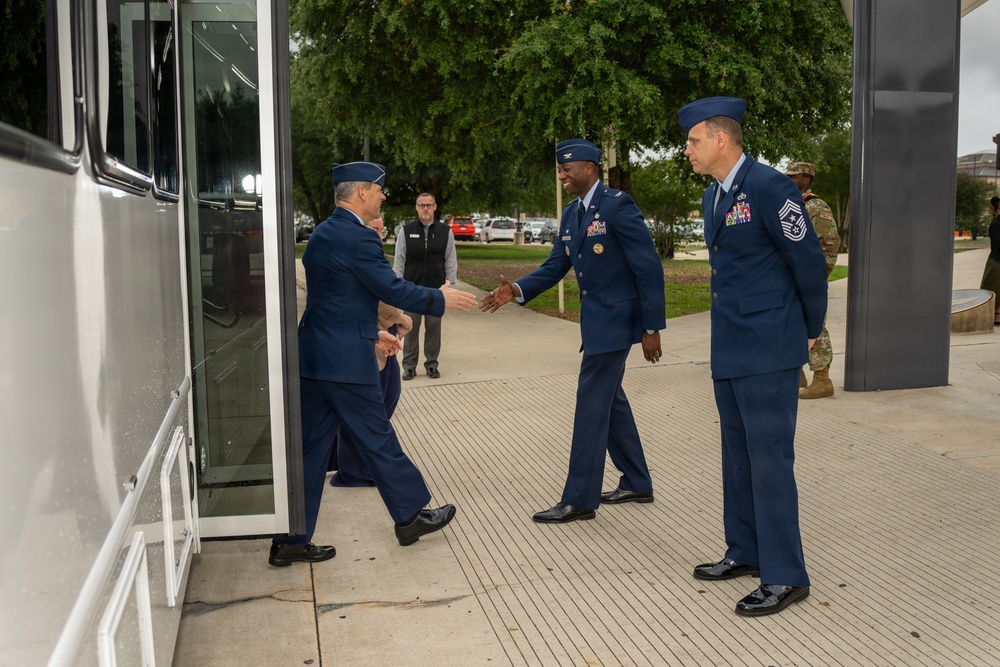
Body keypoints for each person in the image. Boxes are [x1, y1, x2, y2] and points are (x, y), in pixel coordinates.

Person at [269, 161, 477, 567]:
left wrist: (372, 330)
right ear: (361, 192)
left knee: (310, 452)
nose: (384, 196)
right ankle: (410, 516)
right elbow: (390, 287)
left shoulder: (323, 234)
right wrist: (439, 298)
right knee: (377, 436)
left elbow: (337, 299)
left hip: (315, 355)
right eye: (379, 190)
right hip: (345, 361)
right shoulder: (357, 238)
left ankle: (291, 539)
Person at [677, 97, 828, 616]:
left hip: (768, 344)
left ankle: (786, 574)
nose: (687, 150)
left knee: (769, 463)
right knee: (737, 457)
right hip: (731, 346)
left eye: (693, 140)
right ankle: (744, 551)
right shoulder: (712, 197)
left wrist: (809, 329)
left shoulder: (771, 187)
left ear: (721, 138)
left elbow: (807, 262)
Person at [480, 138, 666, 524]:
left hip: (616, 323)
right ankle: (636, 480)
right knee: (610, 402)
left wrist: (651, 326)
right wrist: (515, 289)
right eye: (560, 169)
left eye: (567, 169)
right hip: (597, 324)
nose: (562, 175)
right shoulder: (572, 213)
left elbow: (648, 268)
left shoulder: (617, 206)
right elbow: (554, 267)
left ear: (589, 169)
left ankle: (579, 499)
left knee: (591, 407)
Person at [328, 217, 412, 487]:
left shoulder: (367, 250)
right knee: (367, 408)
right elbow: (372, 295)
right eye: (372, 229)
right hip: (365, 340)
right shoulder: (356, 251)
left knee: (386, 396)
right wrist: (400, 315)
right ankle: (354, 470)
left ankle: (354, 463)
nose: (377, 234)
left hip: (382, 337)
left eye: (380, 229)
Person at [784, 162, 841, 399]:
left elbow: (829, 244)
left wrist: (816, 277)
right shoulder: (794, 204)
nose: (788, 179)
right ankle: (797, 374)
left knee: (815, 327)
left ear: (805, 179)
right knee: (792, 324)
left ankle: (822, 380)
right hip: (793, 278)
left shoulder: (817, 207)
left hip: (810, 279)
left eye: (793, 176)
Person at [393, 193, 457, 380]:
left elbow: (450, 260)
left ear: (435, 207)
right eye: (422, 205)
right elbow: (399, 261)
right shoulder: (406, 231)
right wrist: (396, 287)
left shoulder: (446, 231)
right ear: (416, 207)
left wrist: (450, 285)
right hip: (411, 290)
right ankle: (409, 366)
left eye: (429, 205)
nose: (425, 208)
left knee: (433, 328)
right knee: (410, 328)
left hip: (436, 290)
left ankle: (431, 364)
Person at [980, 196, 1000, 326]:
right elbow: (998, 243)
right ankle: (995, 316)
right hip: (997, 260)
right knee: (995, 287)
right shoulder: (995, 224)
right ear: (997, 210)